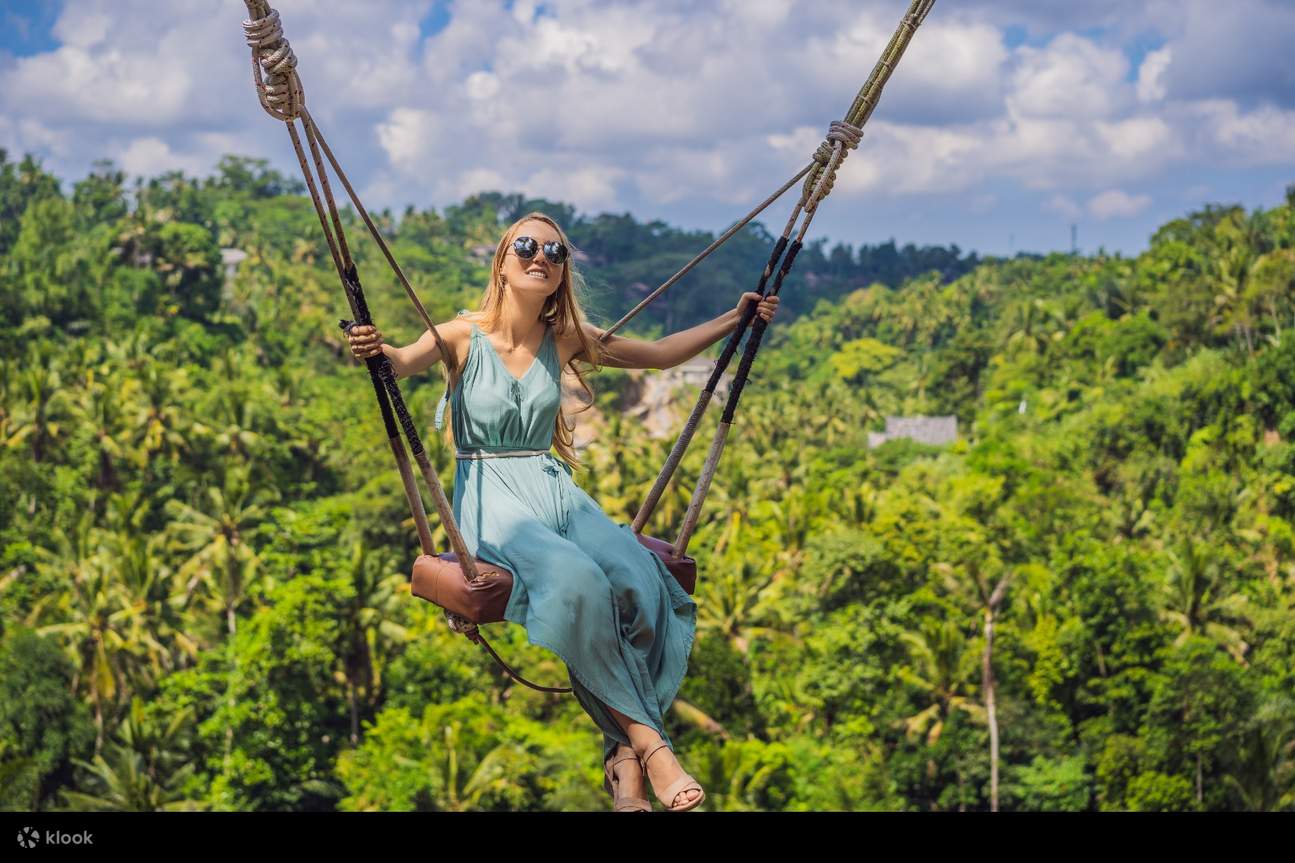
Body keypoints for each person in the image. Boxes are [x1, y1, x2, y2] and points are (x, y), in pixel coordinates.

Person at [347, 212, 779, 812]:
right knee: (576, 582)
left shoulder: (567, 339)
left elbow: (657, 356)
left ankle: (621, 761)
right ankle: (650, 746)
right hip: (488, 490)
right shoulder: (460, 336)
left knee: (637, 577)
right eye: (526, 245)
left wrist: (736, 319)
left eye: (554, 251)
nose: (540, 256)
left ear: (560, 273)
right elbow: (397, 363)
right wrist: (375, 349)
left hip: (552, 487)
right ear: (502, 260)